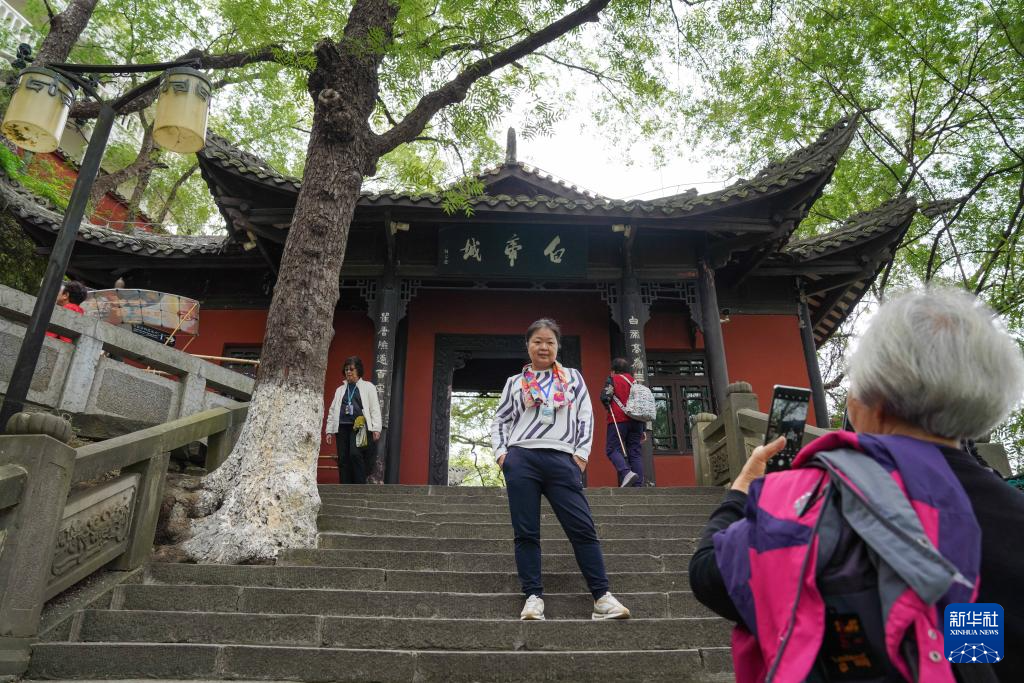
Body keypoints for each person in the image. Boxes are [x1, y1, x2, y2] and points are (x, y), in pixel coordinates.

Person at [689, 288, 1024, 682]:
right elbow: (972, 644)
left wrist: (742, 489)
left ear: (872, 398)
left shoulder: (805, 502)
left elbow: (709, 576)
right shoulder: (1011, 514)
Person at [490, 318, 631, 621]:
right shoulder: (514, 383)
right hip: (522, 459)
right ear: (527, 345)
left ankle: (602, 597)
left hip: (562, 460)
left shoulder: (572, 377)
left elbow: (585, 416)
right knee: (526, 532)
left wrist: (580, 457)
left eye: (550, 342)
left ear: (557, 346)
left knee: (583, 528)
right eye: (537, 341)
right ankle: (533, 597)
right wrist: (503, 456)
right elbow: (500, 420)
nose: (543, 347)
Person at [325, 356, 382, 484]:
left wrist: (376, 428)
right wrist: (329, 431)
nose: (348, 372)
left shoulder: (368, 387)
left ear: (358, 370)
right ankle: (345, 486)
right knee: (343, 458)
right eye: (346, 369)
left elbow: (374, 409)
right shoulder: (340, 390)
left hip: (359, 427)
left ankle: (359, 485)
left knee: (355, 454)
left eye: (351, 369)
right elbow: (332, 410)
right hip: (342, 426)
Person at [600, 357, 646, 487]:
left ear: (613, 371)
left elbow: (605, 397)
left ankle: (626, 473)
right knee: (635, 452)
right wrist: (643, 428)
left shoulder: (613, 379)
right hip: (637, 421)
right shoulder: (636, 382)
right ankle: (638, 485)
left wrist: (607, 404)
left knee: (612, 449)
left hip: (619, 419)